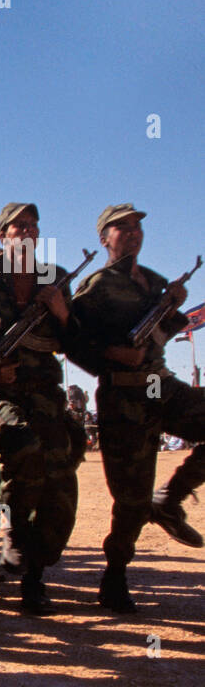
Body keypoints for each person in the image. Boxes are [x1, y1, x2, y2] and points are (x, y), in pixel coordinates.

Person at [67, 204, 205, 612]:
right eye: (121, 228)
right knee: (130, 498)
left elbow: (158, 338)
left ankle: (171, 498)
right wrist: (111, 355)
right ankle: (115, 576)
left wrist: (174, 307)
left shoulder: (156, 282)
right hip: (122, 396)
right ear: (104, 238)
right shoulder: (95, 286)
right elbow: (74, 344)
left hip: (161, 385)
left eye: (136, 227)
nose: (132, 233)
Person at [0, 202, 83, 614]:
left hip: (45, 397)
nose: (27, 232)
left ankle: (34, 573)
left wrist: (62, 313)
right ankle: (10, 538)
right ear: (2, 236)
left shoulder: (57, 279)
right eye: (18, 226)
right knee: (23, 447)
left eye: (33, 226)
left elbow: (81, 345)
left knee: (61, 480)